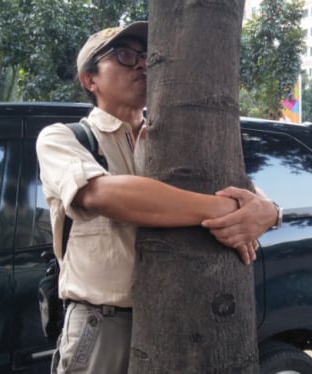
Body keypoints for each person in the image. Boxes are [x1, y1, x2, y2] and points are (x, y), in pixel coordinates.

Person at [36, 21, 280, 374]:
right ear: (90, 80)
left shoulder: (179, 137)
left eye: (146, 57)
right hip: (104, 323)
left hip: (181, 318)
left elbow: (246, 191)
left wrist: (269, 213)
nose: (140, 64)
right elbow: (101, 195)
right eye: (123, 55)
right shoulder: (64, 138)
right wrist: (220, 211)